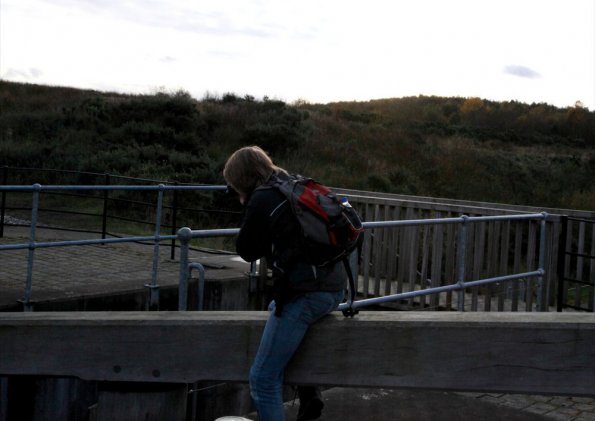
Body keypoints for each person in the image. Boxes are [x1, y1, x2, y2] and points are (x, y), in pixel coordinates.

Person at [223, 146, 346, 421]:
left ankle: (307, 393)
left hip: (307, 295)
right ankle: (309, 393)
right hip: (335, 288)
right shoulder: (291, 183)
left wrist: (247, 204)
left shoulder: (262, 198)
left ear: (241, 181)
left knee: (262, 379)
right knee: (276, 308)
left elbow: (247, 250)